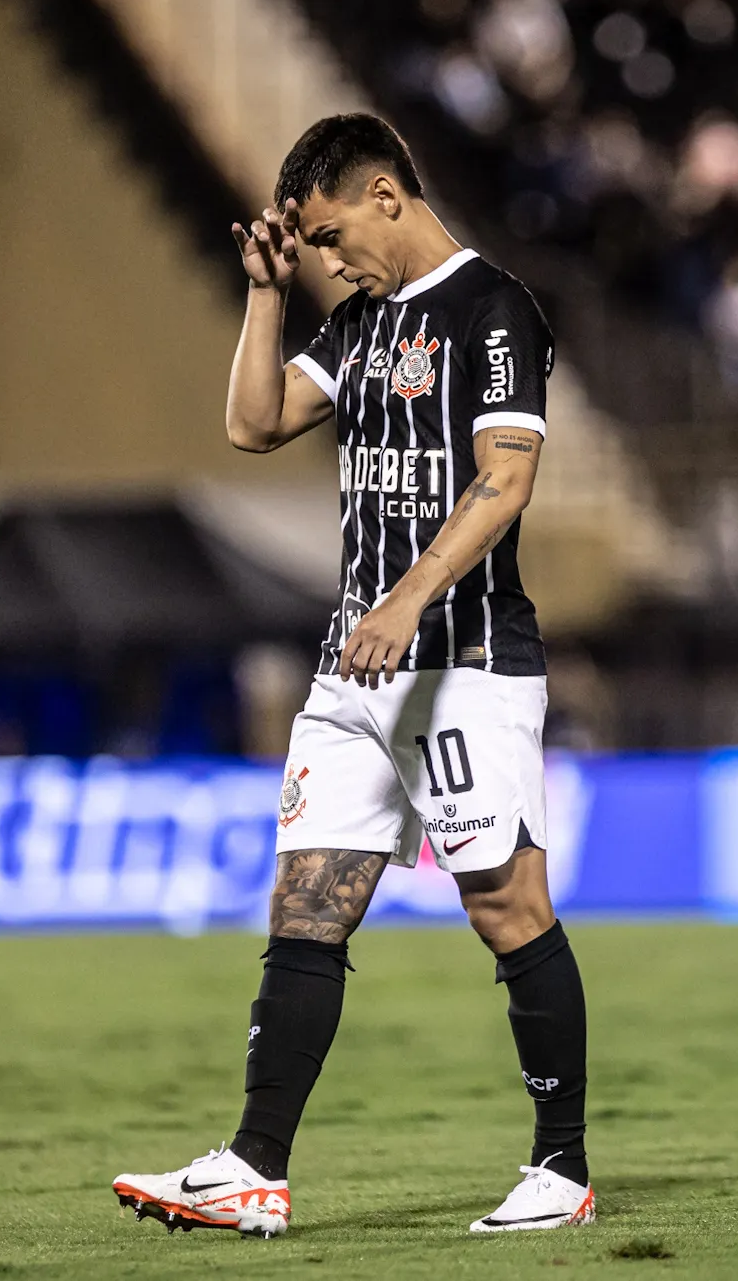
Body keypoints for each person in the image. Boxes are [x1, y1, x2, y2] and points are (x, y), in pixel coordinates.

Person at [109, 114, 594, 1239]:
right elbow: (253, 422)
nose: (331, 256)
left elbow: (505, 480)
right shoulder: (357, 322)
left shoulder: (495, 311)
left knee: (504, 906)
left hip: (461, 661)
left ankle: (560, 1169)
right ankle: (253, 1169)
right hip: (351, 669)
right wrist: (266, 292)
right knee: (305, 907)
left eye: (329, 235)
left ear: (384, 194)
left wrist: (409, 596)